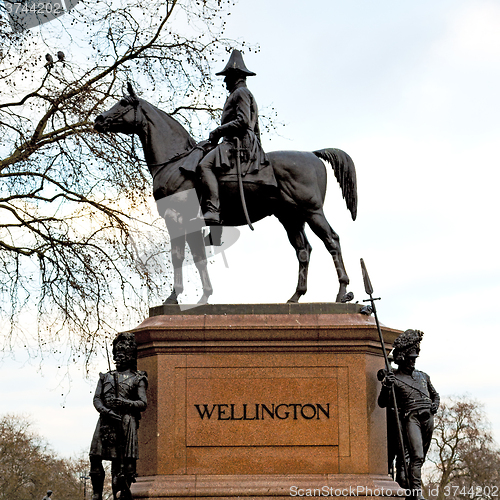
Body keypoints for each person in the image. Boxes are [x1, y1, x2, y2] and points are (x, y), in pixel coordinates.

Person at [198, 49, 269, 224]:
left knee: (204, 166)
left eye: (226, 76)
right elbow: (257, 127)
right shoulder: (242, 94)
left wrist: (218, 131)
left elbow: (243, 121)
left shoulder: (240, 93)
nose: (224, 80)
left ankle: (213, 210)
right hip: (242, 141)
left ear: (235, 76)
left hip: (237, 142)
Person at [378, 329, 440, 500]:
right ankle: (416, 493)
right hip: (410, 418)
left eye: (414, 359)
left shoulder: (423, 376)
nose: (413, 362)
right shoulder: (394, 378)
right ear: (402, 358)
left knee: (420, 459)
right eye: (410, 359)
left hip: (428, 418)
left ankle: (414, 491)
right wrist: (386, 386)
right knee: (416, 456)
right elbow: (382, 403)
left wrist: (435, 404)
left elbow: (435, 394)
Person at [89, 332, 148, 500]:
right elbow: (97, 399)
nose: (118, 358)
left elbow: (142, 403)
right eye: (116, 355)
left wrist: (123, 403)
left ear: (130, 356)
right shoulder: (106, 376)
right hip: (106, 420)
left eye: (122, 355)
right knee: (95, 456)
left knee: (121, 463)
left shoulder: (138, 378)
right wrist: (107, 411)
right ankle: (97, 494)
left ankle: (120, 494)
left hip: (126, 421)